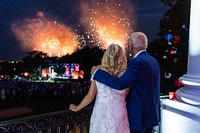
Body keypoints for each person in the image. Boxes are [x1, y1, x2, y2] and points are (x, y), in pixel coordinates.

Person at [91, 32, 161, 133]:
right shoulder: (153, 61)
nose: (127, 45)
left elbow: (120, 84)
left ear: (132, 44)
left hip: (138, 116)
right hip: (150, 115)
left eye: (128, 42)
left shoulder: (137, 62)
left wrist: (98, 73)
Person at [69, 44, 130, 133]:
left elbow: (90, 96)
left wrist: (77, 108)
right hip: (119, 114)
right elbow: (125, 95)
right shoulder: (126, 74)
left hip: (101, 114)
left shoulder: (98, 73)